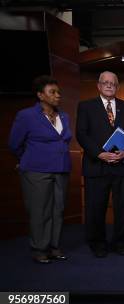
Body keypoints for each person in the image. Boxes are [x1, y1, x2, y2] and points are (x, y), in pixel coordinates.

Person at [76, 71, 124, 258]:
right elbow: (81, 134)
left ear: (117, 86)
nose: (109, 85)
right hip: (96, 166)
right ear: (98, 86)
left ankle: (121, 243)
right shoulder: (86, 106)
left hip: (122, 165)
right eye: (105, 82)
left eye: (113, 83)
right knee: (95, 208)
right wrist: (99, 154)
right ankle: (97, 244)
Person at [8, 75, 71, 264]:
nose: (57, 95)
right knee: (40, 211)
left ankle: (54, 246)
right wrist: (26, 159)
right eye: (52, 92)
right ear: (40, 95)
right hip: (36, 170)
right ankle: (39, 249)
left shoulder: (64, 116)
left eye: (58, 92)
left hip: (61, 169)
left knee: (57, 210)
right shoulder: (26, 115)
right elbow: (14, 144)